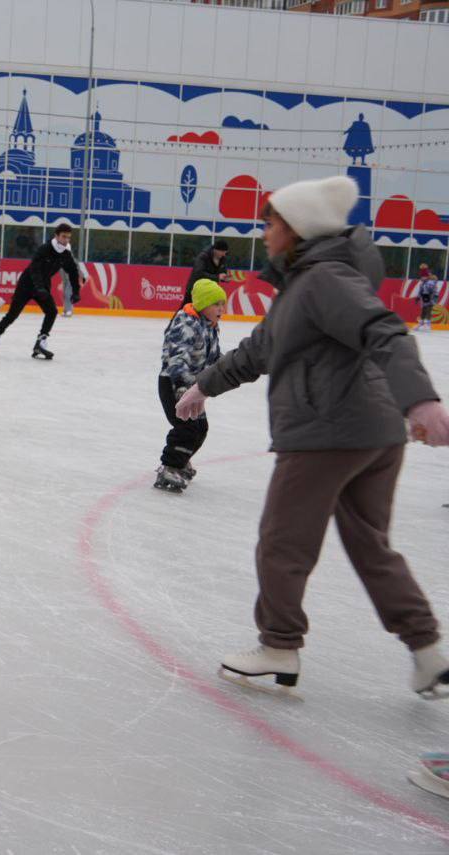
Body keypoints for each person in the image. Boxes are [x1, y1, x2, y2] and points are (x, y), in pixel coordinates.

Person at [173, 176, 449, 697]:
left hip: (328, 432)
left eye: (272, 222)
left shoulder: (322, 281)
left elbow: (383, 330)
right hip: (373, 433)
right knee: (372, 547)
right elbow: (259, 350)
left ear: (296, 230)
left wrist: (422, 399)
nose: (264, 231)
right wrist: (204, 387)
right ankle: (428, 652)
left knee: (283, 541)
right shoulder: (309, 283)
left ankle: (279, 645)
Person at [154, 279, 225, 493]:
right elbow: (177, 358)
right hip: (173, 384)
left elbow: (213, 357)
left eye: (223, 303)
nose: (221, 309)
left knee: (200, 428)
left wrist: (226, 368)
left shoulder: (210, 326)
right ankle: (169, 466)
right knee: (186, 427)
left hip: (193, 387)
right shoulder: (186, 324)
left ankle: (181, 459)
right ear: (203, 304)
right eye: (216, 304)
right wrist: (183, 387)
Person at [0, 222, 87, 360]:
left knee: (52, 312)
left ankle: (40, 342)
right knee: (12, 315)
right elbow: (34, 269)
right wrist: (39, 287)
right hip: (27, 283)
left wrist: (76, 292)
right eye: (63, 236)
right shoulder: (45, 249)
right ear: (56, 236)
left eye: (68, 237)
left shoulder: (65, 254)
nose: (66, 240)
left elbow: (72, 272)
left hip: (43, 286)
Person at [181, 240, 230, 309]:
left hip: (209, 290)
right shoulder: (203, 256)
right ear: (216, 250)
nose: (224, 254)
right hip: (195, 288)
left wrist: (225, 278)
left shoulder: (223, 259)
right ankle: (174, 320)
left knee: (205, 311)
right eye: (223, 252)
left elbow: (222, 272)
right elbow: (198, 273)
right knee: (185, 308)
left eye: (225, 252)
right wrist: (217, 277)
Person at [415, 263, 439, 332]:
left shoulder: (430, 283)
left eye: (423, 276)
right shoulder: (422, 283)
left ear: (426, 276)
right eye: (421, 276)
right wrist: (418, 297)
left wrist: (432, 299)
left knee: (428, 310)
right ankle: (421, 323)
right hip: (425, 299)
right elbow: (421, 291)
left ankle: (428, 325)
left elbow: (434, 291)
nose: (421, 278)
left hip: (430, 298)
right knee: (423, 311)